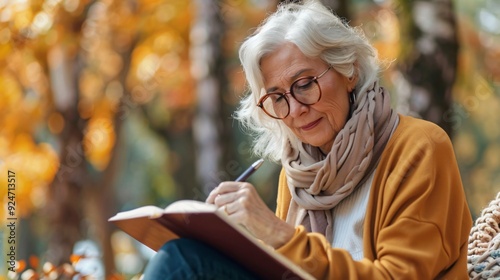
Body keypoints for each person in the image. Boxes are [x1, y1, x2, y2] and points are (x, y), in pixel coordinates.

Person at [144, 0, 472, 279]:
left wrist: (278, 233)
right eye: (277, 97)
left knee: (182, 263)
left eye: (304, 84)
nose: (296, 109)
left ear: (350, 71)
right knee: (183, 254)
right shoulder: (299, 171)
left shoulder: (420, 147)